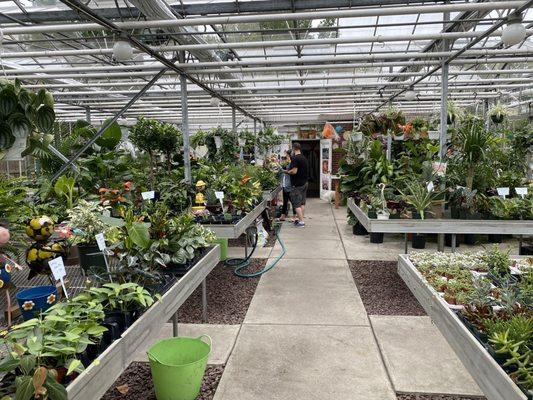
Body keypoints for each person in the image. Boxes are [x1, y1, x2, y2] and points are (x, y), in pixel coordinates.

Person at [283, 142, 309, 227]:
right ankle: (299, 219)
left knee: (296, 204)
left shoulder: (295, 158)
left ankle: (301, 222)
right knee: (302, 203)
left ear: (294, 149)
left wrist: (287, 172)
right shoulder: (304, 158)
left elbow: (294, 171)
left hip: (297, 185)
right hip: (305, 183)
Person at [280, 150, 294, 221]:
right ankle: (283, 216)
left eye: (287, 155)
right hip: (285, 184)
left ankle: (295, 216)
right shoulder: (287, 162)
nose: (286, 156)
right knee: (285, 201)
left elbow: (290, 172)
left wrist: (283, 170)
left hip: (289, 185)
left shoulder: (292, 162)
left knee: (292, 201)